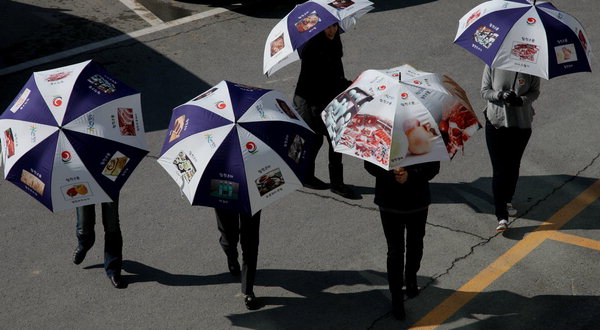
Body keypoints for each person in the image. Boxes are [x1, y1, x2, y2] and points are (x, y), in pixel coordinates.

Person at [364, 161, 440, 320]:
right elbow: (370, 165)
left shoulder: (428, 136)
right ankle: (396, 297)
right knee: (395, 251)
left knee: (416, 244)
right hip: (389, 202)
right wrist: (392, 174)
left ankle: (411, 278)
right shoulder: (379, 136)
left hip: (417, 201)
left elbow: (433, 168)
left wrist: (410, 175)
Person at [293, 23, 358, 199]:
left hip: (325, 100)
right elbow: (324, 82)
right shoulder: (313, 50)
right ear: (319, 29)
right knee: (327, 140)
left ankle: (310, 176)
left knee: (325, 141)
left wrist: (349, 84)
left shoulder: (333, 44)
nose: (332, 31)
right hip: (311, 103)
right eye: (328, 28)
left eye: (335, 27)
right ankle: (332, 183)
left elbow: (336, 76)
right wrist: (349, 86)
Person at [480, 65, 540, 232]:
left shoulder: (531, 67)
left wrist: (520, 100)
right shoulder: (493, 63)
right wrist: (499, 95)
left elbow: (535, 92)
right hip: (496, 123)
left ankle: (507, 200)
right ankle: (501, 216)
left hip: (521, 125)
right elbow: (484, 91)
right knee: (499, 170)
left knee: (513, 166)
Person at [214, 208, 261, 310]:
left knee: (250, 241)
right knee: (228, 239)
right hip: (225, 193)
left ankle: (247, 291)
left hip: (252, 194)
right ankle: (231, 257)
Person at [72, 199, 125, 288]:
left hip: (109, 185)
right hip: (84, 185)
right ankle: (85, 243)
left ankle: (113, 269)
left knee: (112, 223)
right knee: (84, 224)